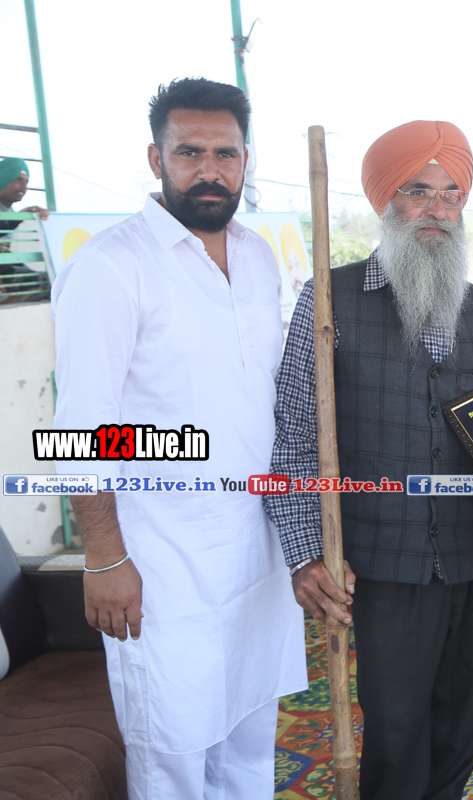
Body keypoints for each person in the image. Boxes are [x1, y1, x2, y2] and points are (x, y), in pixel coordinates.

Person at [50, 78, 305, 799]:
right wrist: (105, 557)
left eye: (226, 154)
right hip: (162, 559)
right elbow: (82, 429)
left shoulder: (257, 256)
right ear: (156, 158)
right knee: (173, 750)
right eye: (190, 152)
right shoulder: (112, 265)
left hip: (254, 549)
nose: (209, 170)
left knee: (250, 740)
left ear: (246, 159)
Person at [266, 120, 473, 800]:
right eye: (418, 190)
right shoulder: (328, 299)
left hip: (471, 554)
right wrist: (306, 552)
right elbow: (295, 437)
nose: (437, 209)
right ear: (386, 200)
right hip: (379, 562)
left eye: (451, 194)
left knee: (465, 718)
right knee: (397, 730)